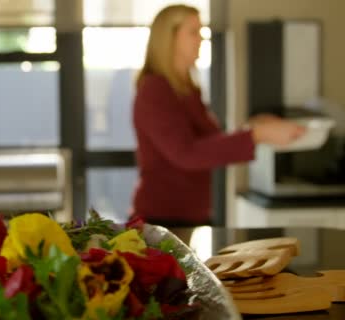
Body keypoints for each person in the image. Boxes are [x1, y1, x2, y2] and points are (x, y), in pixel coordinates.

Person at [131, 4, 305, 227]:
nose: (201, 39)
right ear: (169, 38)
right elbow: (186, 153)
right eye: (193, 32)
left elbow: (208, 142)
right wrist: (256, 135)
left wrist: (254, 127)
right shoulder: (156, 89)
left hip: (189, 214)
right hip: (163, 219)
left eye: (202, 32)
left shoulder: (187, 89)